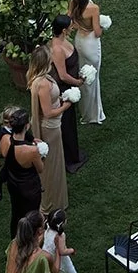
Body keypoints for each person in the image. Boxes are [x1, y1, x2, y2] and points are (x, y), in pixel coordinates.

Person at [28, 43, 70, 216]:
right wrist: (65, 106)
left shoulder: (40, 78)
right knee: (52, 166)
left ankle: (57, 198)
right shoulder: (43, 84)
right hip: (50, 129)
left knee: (55, 163)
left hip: (51, 126)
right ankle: (52, 202)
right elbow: (48, 112)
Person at [0, 107, 44, 239]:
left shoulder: (5, 141)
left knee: (16, 214)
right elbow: (40, 169)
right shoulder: (32, 151)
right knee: (31, 218)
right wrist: (42, 154)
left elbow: (1, 153)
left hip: (13, 185)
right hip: (29, 189)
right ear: (26, 126)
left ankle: (15, 241)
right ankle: (30, 243)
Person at [49, 15, 87, 173]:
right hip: (65, 88)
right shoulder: (57, 49)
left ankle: (73, 152)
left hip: (71, 84)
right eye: (70, 26)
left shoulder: (63, 41)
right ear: (64, 30)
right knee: (67, 123)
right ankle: (69, 159)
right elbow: (62, 75)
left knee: (70, 122)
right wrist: (77, 82)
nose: (73, 28)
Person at [69, 0, 105, 124]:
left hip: (79, 40)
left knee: (83, 73)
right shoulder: (93, 8)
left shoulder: (74, 2)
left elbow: (71, 22)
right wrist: (103, 25)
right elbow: (97, 32)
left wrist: (81, 26)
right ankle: (93, 114)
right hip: (90, 43)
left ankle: (85, 109)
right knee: (92, 77)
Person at [43, 207, 78, 273]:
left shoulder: (47, 228)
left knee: (50, 268)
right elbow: (62, 251)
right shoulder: (60, 236)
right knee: (60, 267)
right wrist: (72, 250)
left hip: (46, 251)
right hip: (55, 256)